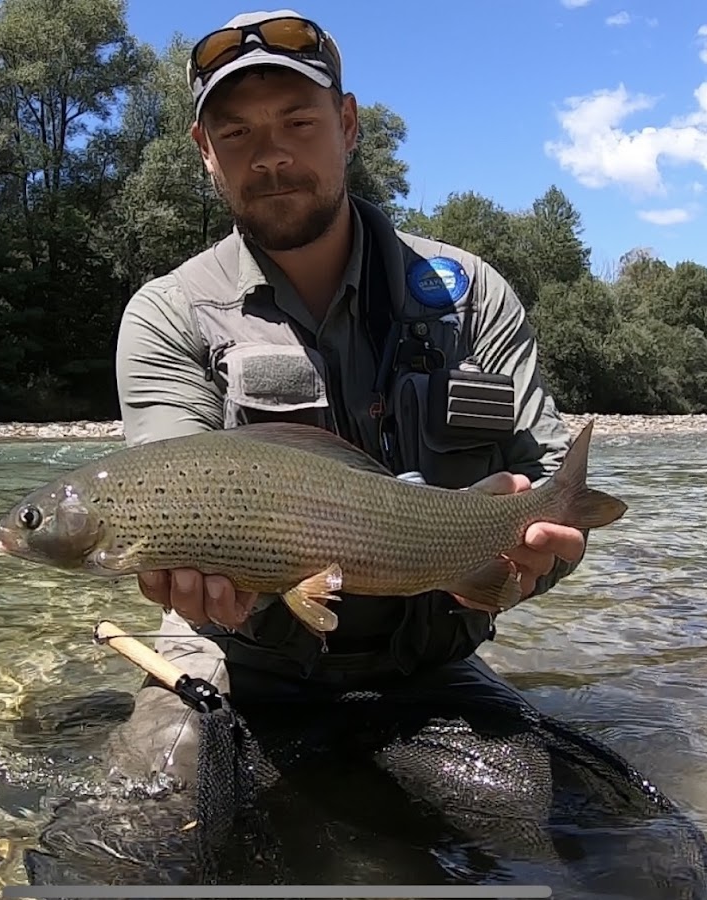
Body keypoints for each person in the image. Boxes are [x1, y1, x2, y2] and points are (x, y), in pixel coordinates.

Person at [104, 7, 587, 793]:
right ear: (205, 154)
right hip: (238, 663)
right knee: (141, 822)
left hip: (429, 670)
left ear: (349, 123)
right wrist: (190, 577)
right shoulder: (167, 314)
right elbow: (157, 496)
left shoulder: (471, 299)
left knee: (560, 827)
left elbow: (555, 493)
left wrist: (537, 560)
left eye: (298, 120)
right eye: (237, 135)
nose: (270, 156)